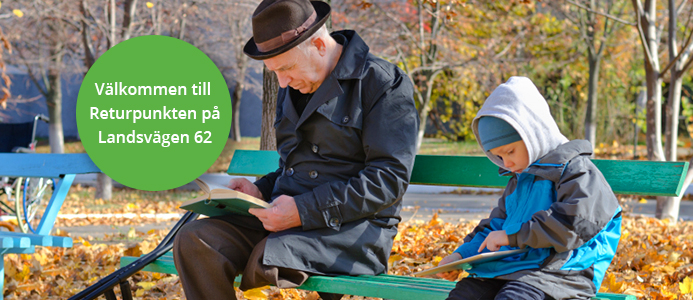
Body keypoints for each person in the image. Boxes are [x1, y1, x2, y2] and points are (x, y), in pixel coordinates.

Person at [172, 0, 419, 299]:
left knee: (270, 254)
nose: (282, 81)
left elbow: (387, 180)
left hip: (353, 230)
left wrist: (303, 211)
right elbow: (291, 166)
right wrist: (259, 191)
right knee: (195, 240)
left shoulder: (383, 83)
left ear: (318, 44)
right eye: (274, 72)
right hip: (283, 220)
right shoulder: (295, 84)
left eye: (286, 68)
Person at [436, 77, 622, 300]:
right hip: (513, 269)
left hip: (562, 274)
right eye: (498, 156)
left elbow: (573, 225)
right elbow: (496, 225)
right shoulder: (521, 178)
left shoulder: (578, 171)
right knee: (465, 294)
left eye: (510, 151)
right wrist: (461, 254)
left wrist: (511, 236)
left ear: (533, 134)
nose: (506, 164)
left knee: (515, 296)